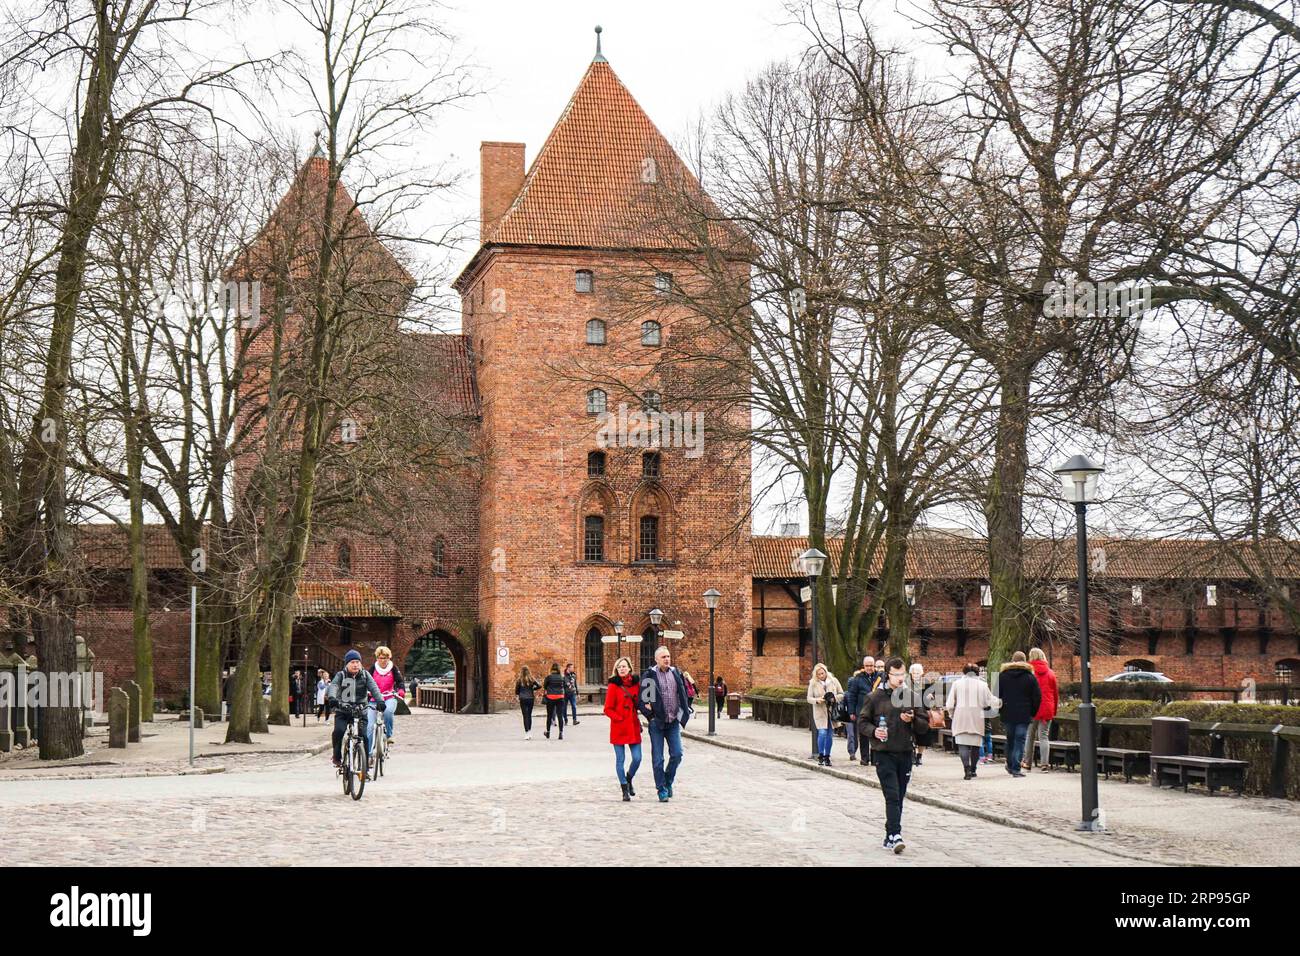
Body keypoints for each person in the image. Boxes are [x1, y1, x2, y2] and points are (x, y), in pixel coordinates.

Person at [859, 657, 930, 854]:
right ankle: (897, 834)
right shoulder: (875, 697)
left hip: (905, 752)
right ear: (887, 675)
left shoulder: (912, 696)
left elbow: (924, 727)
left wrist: (913, 719)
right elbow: (862, 723)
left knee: (899, 796)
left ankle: (889, 834)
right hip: (883, 753)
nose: (900, 678)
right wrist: (874, 731)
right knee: (891, 795)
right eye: (896, 675)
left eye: (902, 674)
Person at [638, 645, 692, 802]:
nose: (667, 659)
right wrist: (651, 717)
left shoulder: (675, 673)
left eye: (668, 656)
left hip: (673, 720)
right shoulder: (650, 675)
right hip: (657, 723)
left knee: (677, 754)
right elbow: (644, 701)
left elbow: (682, 693)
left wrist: (684, 711)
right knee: (658, 759)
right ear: (656, 659)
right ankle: (661, 789)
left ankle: (668, 781)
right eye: (663, 657)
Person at [327, 650, 386, 772]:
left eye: (357, 662)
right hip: (343, 710)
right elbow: (333, 686)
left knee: (364, 735)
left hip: (360, 711)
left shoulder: (365, 675)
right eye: (352, 662)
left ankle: (364, 766)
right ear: (347, 664)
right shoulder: (341, 675)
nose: (355, 665)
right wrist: (332, 697)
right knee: (338, 731)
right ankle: (337, 756)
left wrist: (380, 701)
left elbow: (374, 687)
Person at [946, 663, 1002, 780]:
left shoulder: (957, 684)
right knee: (976, 745)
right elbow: (989, 701)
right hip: (977, 717)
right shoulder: (982, 685)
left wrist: (952, 714)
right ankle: (973, 770)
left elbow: (950, 704)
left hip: (960, 717)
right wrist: (1000, 702)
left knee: (962, 745)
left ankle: (966, 769)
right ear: (977, 673)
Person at [998, 651, 1042, 778]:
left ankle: (1010, 764)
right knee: (1020, 739)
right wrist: (1032, 712)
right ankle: (1016, 768)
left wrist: (1001, 710)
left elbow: (996, 695)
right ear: (1025, 662)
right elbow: (1037, 697)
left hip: (1007, 713)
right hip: (1024, 713)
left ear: (1012, 661)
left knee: (1010, 739)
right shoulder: (1030, 677)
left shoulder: (1002, 676)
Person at [604, 656, 642, 800]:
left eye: (624, 666)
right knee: (620, 759)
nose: (622, 669)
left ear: (630, 668)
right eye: (619, 667)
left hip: (632, 725)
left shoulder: (636, 684)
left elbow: (640, 701)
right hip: (619, 727)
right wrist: (619, 718)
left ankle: (629, 777)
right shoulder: (613, 686)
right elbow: (607, 709)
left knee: (637, 758)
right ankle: (624, 789)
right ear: (616, 670)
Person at [1025, 648, 1059, 772]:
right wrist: (1054, 710)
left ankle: (1027, 763)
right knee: (1044, 737)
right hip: (1047, 708)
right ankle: (1044, 764)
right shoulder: (1050, 673)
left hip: (1032, 709)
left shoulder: (1028, 673)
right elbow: (1055, 694)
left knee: (1030, 736)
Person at [368, 646, 405, 750]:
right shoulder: (373, 668)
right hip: (374, 699)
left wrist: (401, 690)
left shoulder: (393, 668)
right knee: (370, 726)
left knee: (388, 712)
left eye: (385, 657)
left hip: (389, 696)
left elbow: (400, 682)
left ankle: (388, 735)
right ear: (377, 658)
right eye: (380, 658)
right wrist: (366, 692)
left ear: (389, 658)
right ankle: (369, 754)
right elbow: (366, 681)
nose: (383, 660)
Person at [806, 663, 844, 766]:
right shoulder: (813, 683)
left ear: (826, 672)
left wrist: (833, 698)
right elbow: (809, 698)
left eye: (822, 673)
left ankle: (827, 756)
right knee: (822, 733)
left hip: (832, 712)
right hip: (820, 712)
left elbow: (841, 694)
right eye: (818, 674)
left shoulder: (834, 681)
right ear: (816, 675)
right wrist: (817, 700)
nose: (821, 676)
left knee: (829, 735)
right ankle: (820, 755)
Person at [843, 656, 875, 765]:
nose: (869, 668)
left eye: (871, 665)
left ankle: (875, 758)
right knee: (864, 736)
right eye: (867, 666)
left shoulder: (880, 677)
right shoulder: (858, 679)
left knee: (876, 735)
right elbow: (852, 696)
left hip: (877, 711)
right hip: (862, 711)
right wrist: (851, 712)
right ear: (864, 666)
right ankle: (864, 758)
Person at [908, 662, 937, 766]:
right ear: (910, 674)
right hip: (910, 711)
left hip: (923, 713)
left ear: (921, 674)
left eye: (918, 673)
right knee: (909, 733)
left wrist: (931, 696)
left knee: (923, 735)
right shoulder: (907, 684)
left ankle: (919, 756)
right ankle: (911, 754)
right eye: (914, 673)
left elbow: (933, 698)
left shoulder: (926, 683)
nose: (916, 675)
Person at [515, 666, 540, 739]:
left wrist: (519, 694)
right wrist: (533, 689)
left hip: (523, 699)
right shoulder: (531, 679)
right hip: (530, 698)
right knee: (529, 715)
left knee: (525, 716)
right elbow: (539, 686)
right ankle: (529, 731)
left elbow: (516, 691)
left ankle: (526, 733)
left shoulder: (519, 680)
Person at [543, 663, 567, 740]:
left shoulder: (549, 677)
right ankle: (561, 733)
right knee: (560, 715)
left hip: (550, 697)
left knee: (549, 715)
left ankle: (548, 733)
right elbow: (565, 685)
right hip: (560, 697)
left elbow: (545, 686)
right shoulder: (562, 677)